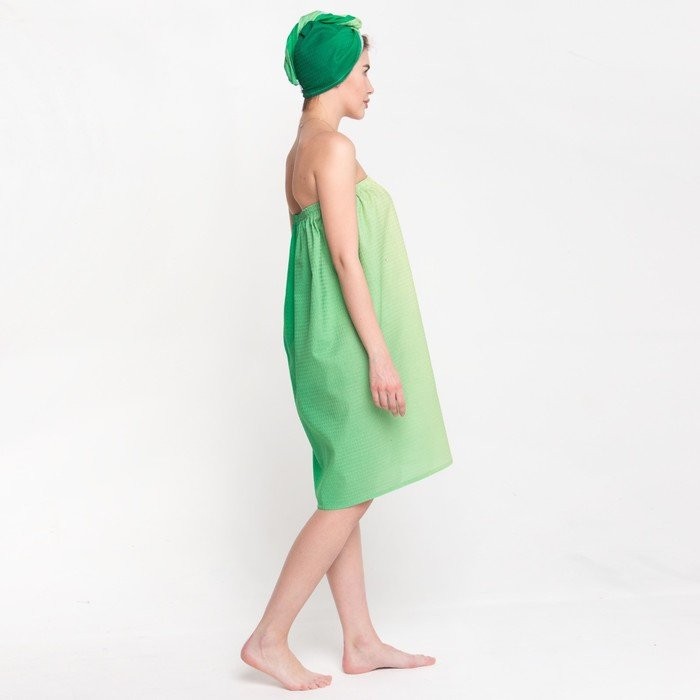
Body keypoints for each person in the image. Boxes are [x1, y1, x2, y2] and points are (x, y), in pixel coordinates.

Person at [240, 11, 453, 691]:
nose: (370, 84)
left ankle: (359, 640)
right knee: (349, 495)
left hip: (318, 335)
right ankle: (269, 638)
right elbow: (342, 256)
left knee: (346, 484)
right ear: (335, 73)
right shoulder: (331, 149)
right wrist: (380, 356)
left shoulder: (299, 150)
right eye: (364, 70)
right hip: (342, 342)